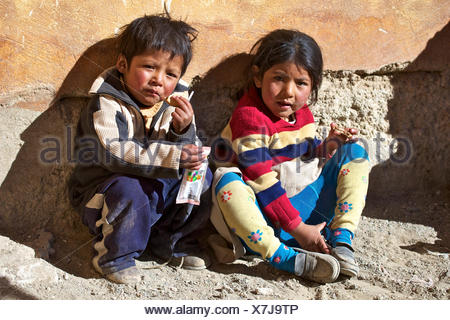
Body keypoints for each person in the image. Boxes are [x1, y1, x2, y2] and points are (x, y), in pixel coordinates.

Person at [210, 29, 370, 284]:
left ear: (313, 85)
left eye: (301, 83)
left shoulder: (302, 112)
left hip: (302, 216)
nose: (288, 92)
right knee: (226, 182)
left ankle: (341, 238)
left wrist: (325, 149)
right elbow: (259, 178)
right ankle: (283, 257)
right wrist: (298, 229)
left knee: (356, 150)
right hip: (261, 223)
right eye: (279, 78)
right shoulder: (249, 117)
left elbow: (296, 153)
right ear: (258, 77)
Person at [68, 13, 212, 284]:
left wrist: (184, 132)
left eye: (170, 74)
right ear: (122, 63)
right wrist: (175, 156)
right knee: (129, 188)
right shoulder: (106, 103)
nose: (159, 80)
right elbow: (114, 152)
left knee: (202, 175)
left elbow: (186, 154)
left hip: (150, 189)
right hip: (103, 195)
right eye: (149, 67)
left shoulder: (172, 104)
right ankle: (114, 256)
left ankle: (168, 243)